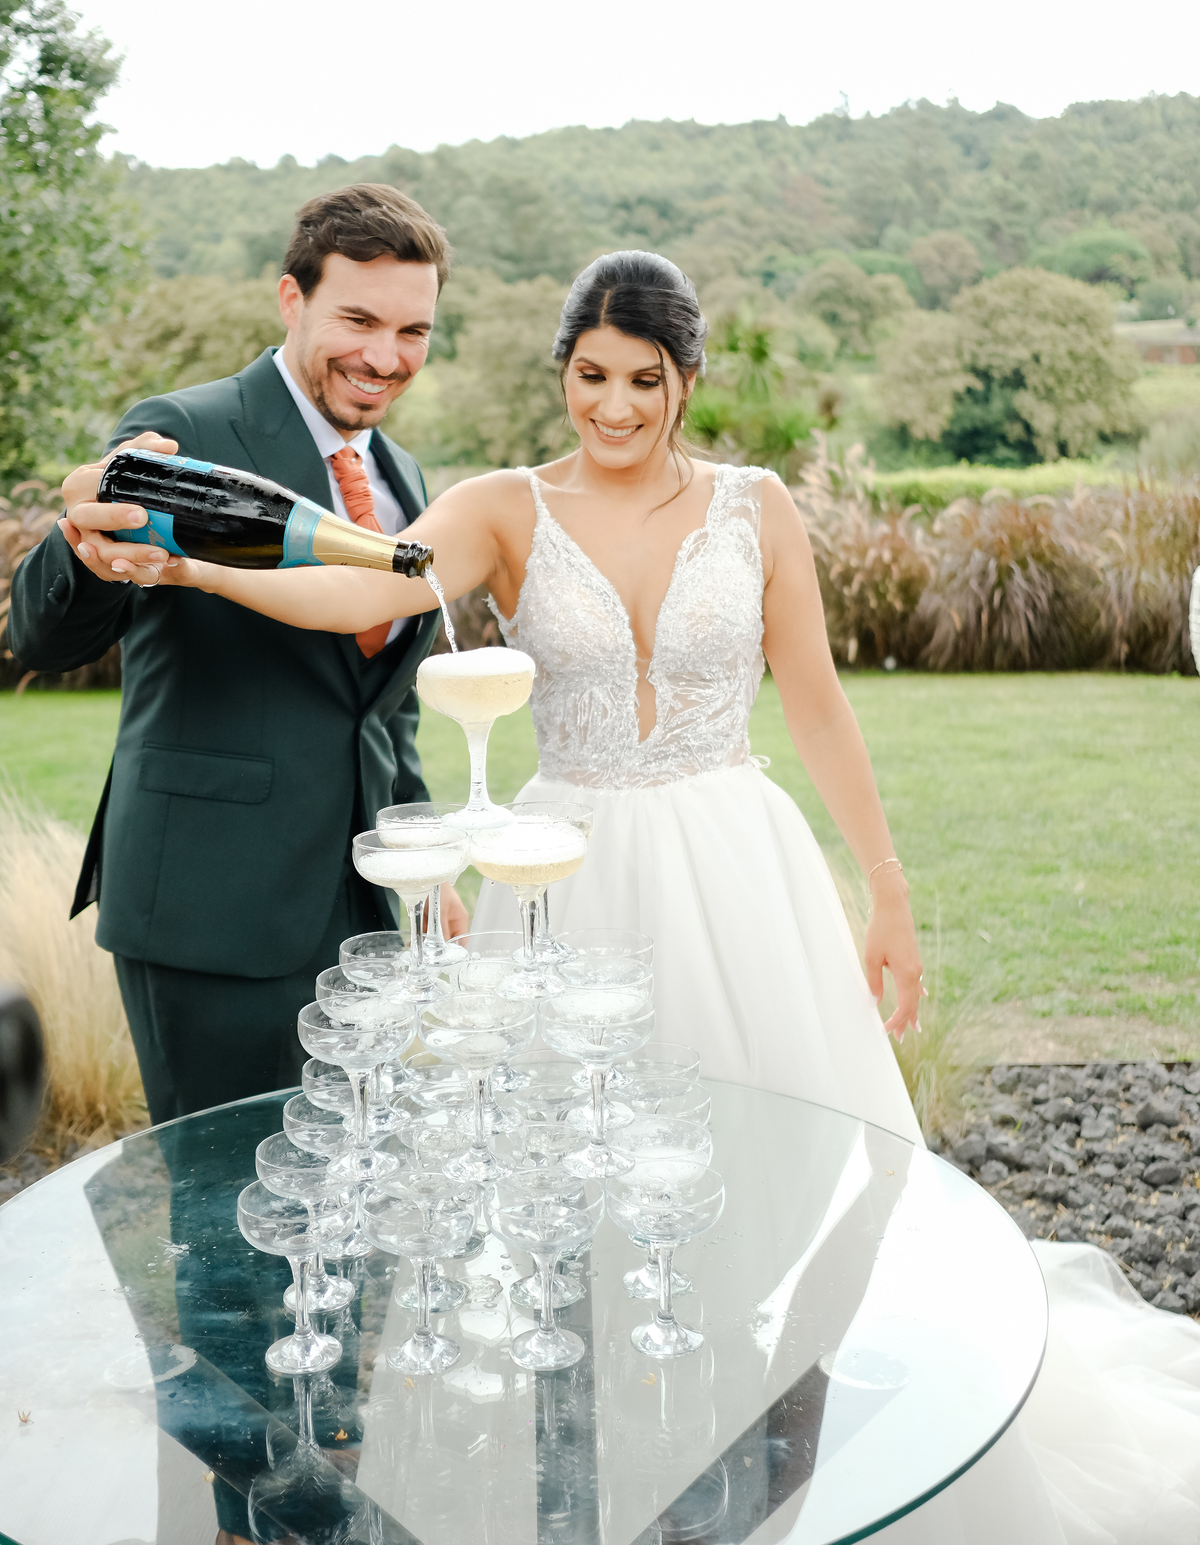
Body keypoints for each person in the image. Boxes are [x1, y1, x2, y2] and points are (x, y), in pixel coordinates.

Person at [67, 250, 1200, 1540]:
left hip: (743, 875)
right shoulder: (504, 507)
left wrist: (887, 891)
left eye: (643, 381)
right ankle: (583, 1480)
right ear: (564, 371)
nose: (613, 406)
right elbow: (357, 591)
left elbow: (817, 703)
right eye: (592, 376)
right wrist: (203, 572)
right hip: (567, 880)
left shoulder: (759, 507)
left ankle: (776, 1469)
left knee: (810, 1177)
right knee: (560, 1213)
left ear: (686, 379)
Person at [8, 182, 467, 1126]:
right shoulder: (188, 431)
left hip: (359, 905)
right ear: (292, 298)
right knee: (225, 1197)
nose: (385, 357)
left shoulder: (402, 476)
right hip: (209, 905)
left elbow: (386, 708)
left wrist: (420, 860)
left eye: (413, 331)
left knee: (347, 1177)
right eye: (358, 320)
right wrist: (85, 547)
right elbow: (46, 636)